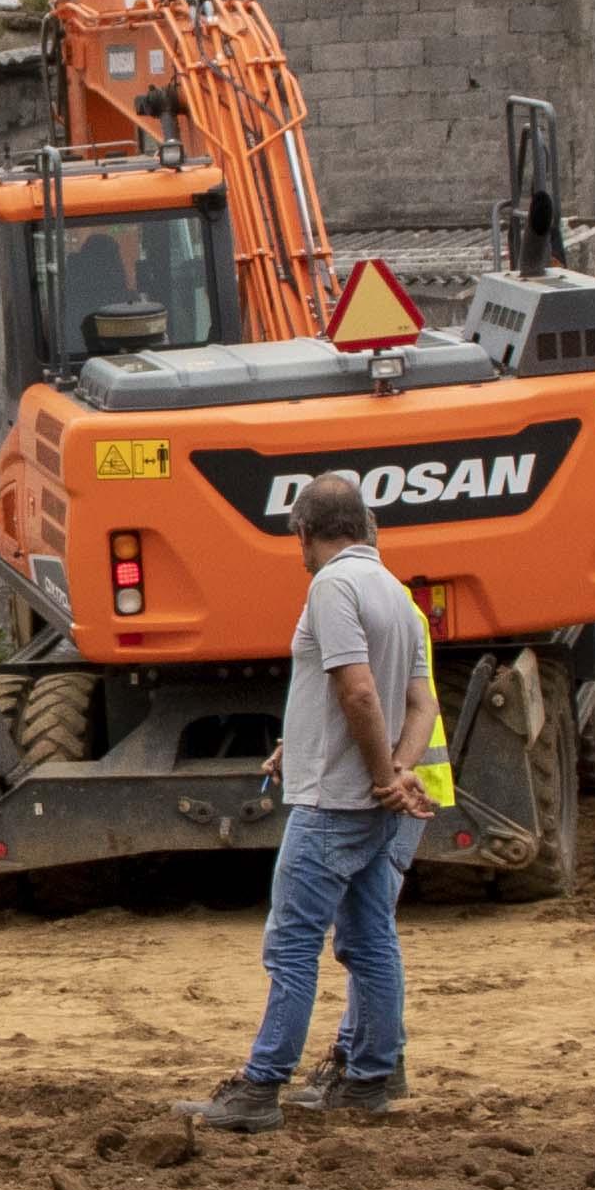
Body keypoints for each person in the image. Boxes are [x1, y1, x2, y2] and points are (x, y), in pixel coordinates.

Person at [190, 473, 452, 1131]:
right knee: (369, 938)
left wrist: (380, 776)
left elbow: (358, 692)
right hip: (367, 803)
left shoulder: (332, 586)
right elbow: (420, 703)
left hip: (333, 805)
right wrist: (395, 770)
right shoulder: (395, 593)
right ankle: (373, 1076)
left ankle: (260, 1087)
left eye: (297, 540)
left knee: (292, 946)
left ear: (306, 531)